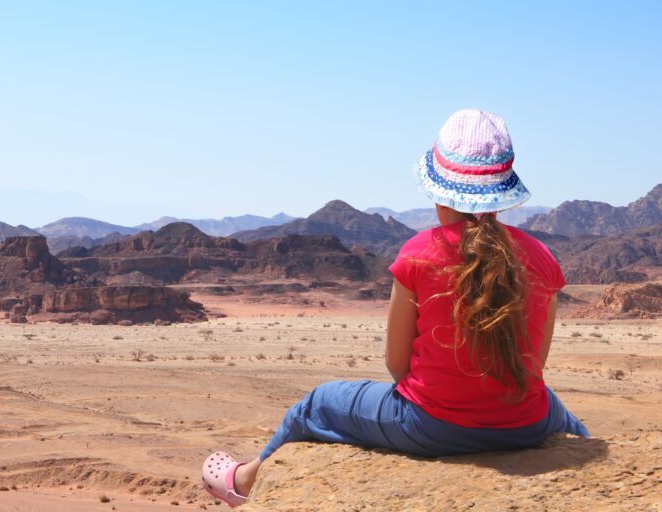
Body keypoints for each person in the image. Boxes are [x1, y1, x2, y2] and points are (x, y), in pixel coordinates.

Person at [201, 109, 589, 507]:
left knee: (317, 404)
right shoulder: (542, 258)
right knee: (562, 414)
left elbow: (397, 366)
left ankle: (245, 481)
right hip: (526, 425)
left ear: (438, 188)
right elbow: (533, 368)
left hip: (430, 427)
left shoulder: (419, 254)